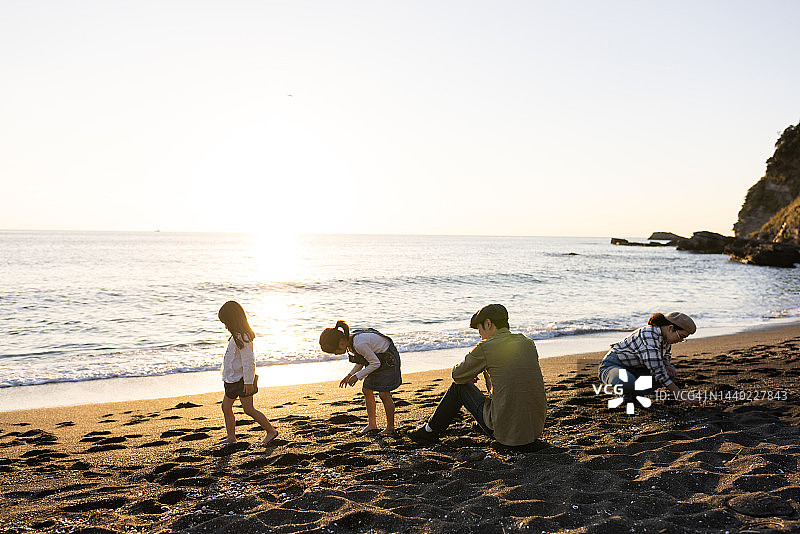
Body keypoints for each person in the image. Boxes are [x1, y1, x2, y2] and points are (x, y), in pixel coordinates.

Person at [408, 304, 547, 447]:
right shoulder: (528, 343)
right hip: (534, 429)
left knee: (459, 387)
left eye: (479, 328)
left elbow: (457, 374)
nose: (479, 333)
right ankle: (480, 422)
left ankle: (429, 431)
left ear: (488, 323)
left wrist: (472, 371)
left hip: (506, 433)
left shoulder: (486, 347)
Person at [319, 320, 402, 436]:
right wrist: (350, 375)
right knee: (367, 390)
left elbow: (375, 363)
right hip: (378, 359)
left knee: (384, 394)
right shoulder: (351, 341)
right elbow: (362, 360)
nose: (336, 354)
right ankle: (372, 424)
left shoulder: (358, 344)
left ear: (341, 343)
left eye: (335, 352)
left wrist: (357, 377)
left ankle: (390, 427)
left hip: (389, 360)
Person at [598, 312, 698, 404]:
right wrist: (681, 395)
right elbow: (658, 371)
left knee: (669, 372)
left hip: (637, 368)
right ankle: (627, 394)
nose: (681, 340)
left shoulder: (665, 337)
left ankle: (635, 394)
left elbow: (665, 355)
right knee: (627, 382)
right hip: (613, 365)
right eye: (681, 336)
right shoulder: (648, 335)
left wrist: (667, 365)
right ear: (671, 328)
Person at [217, 300, 278, 445]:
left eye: (226, 323)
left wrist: (249, 382)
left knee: (249, 409)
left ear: (232, 320)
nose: (225, 327)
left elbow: (249, 362)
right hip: (232, 380)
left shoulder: (243, 338)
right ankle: (231, 437)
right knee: (225, 407)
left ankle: (271, 431)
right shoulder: (235, 336)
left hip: (243, 381)